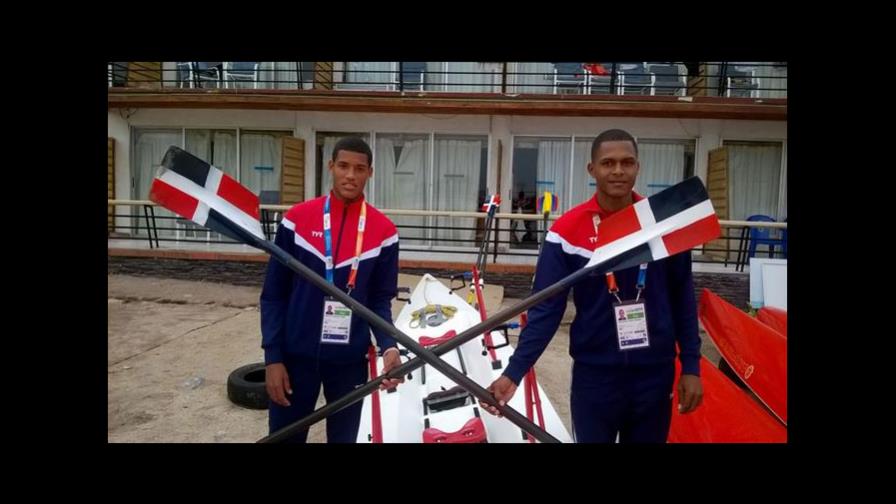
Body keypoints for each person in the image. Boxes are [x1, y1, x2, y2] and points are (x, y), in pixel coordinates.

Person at [480, 129, 703, 443]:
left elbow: (683, 298)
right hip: (595, 377)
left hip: (655, 375)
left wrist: (691, 366)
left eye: (627, 163)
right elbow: (546, 309)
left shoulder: (662, 225)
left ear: (638, 167)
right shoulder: (567, 233)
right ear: (592, 169)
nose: (617, 171)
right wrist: (514, 372)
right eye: (608, 163)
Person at [260, 136, 404, 443]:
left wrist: (389, 346)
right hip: (294, 358)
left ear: (370, 173)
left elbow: (379, 299)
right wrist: (273, 358)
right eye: (343, 166)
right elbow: (273, 294)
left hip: (349, 363)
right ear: (331, 167)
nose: (350, 175)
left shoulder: (384, 232)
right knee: (284, 438)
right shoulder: (296, 220)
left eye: (359, 168)